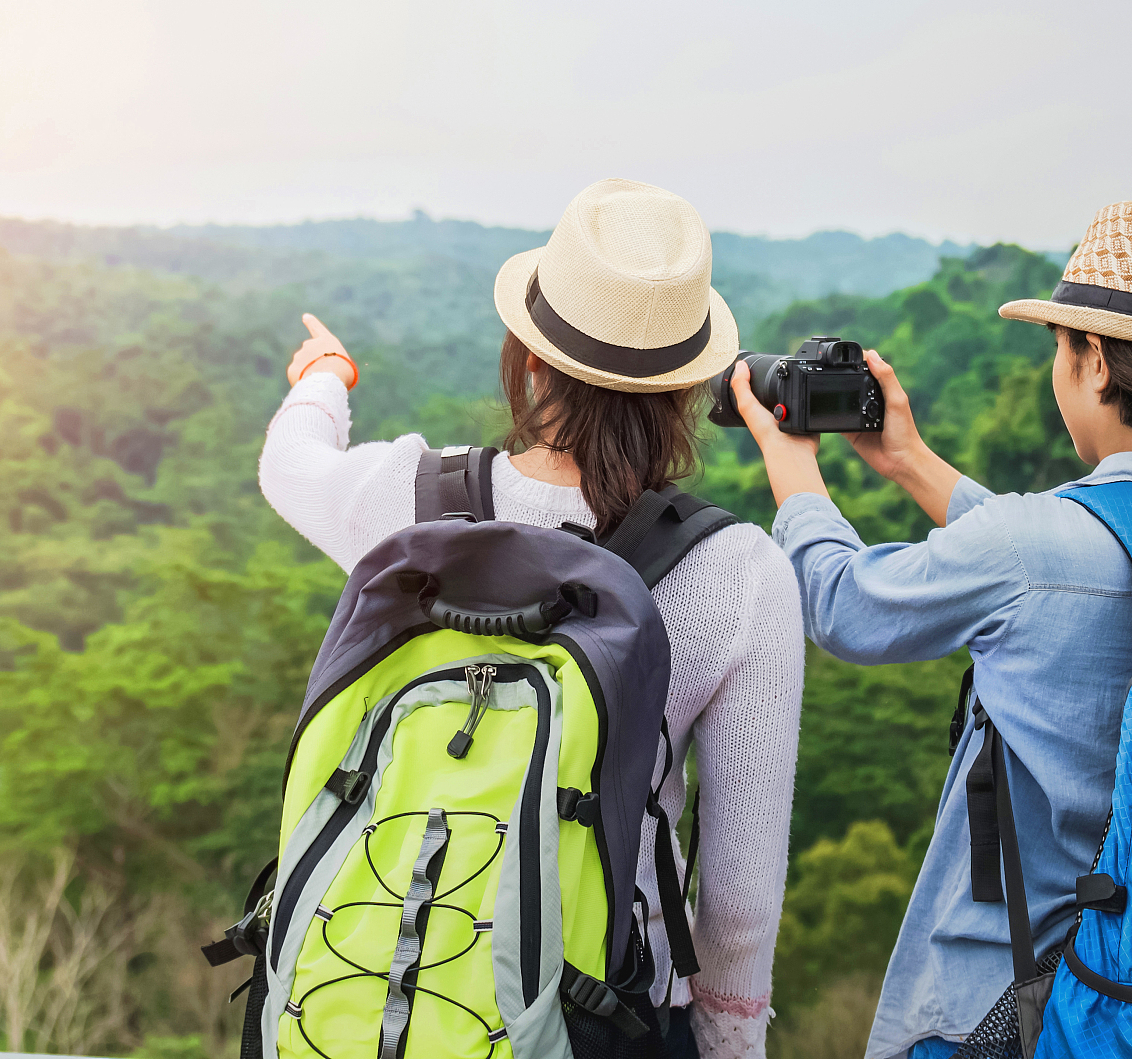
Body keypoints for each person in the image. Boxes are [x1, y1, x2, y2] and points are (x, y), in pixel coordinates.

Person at [726, 200, 1132, 1059]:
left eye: (1062, 350)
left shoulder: (1034, 549)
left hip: (1011, 1002)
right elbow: (1095, 565)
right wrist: (911, 462)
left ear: (1095, 361)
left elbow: (847, 607)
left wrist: (795, 476)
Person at [258, 178, 804, 1059]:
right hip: (604, 1012)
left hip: (379, 997)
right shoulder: (738, 572)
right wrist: (726, 1043)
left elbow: (289, 464)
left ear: (529, 354)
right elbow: (738, 906)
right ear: (685, 387)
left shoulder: (406, 502)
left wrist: (324, 377)